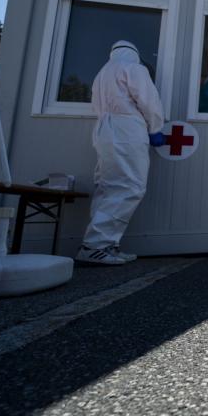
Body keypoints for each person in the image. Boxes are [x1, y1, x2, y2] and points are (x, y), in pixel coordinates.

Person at [75, 40, 166, 265]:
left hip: (104, 130)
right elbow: (149, 101)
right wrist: (155, 128)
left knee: (107, 186)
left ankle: (106, 245)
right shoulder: (134, 68)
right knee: (130, 185)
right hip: (127, 130)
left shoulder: (101, 74)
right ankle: (95, 245)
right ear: (133, 53)